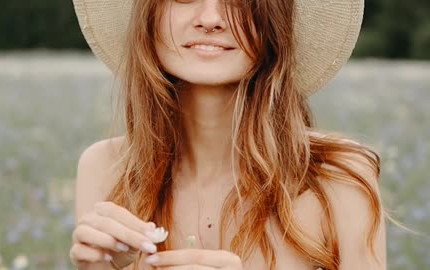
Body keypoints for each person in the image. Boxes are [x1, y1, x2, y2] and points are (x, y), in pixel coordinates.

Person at [69, 0, 388, 269]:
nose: (211, 19)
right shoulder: (105, 169)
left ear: (274, 18)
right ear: (148, 14)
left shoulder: (339, 179)